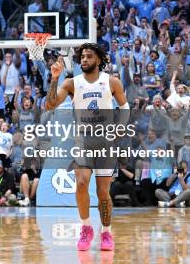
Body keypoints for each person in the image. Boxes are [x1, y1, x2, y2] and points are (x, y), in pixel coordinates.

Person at [45, 43, 129, 251]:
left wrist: (119, 128)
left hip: (105, 143)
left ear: (99, 60)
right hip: (83, 140)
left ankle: (106, 232)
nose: (84, 60)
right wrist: (55, 79)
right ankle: (86, 228)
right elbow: (50, 104)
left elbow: (125, 107)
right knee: (81, 183)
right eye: (82, 56)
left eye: (89, 56)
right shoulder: (72, 83)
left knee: (102, 192)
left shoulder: (112, 82)